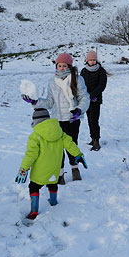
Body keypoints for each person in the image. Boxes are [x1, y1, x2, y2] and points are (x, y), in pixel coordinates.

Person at [22, 53, 90, 183]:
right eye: (59, 65)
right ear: (56, 66)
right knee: (57, 149)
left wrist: (79, 110)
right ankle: (60, 174)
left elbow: (84, 97)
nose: (62, 68)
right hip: (57, 121)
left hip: (72, 119)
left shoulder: (77, 79)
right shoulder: (52, 81)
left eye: (65, 65)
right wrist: (35, 102)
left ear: (69, 66)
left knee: (72, 145)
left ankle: (75, 169)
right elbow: (49, 102)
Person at [15, 107, 88, 220]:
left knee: (34, 187)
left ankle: (34, 210)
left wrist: (24, 168)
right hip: (55, 168)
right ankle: (53, 202)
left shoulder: (35, 137)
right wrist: (78, 154)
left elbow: (31, 155)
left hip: (40, 171)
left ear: (35, 122)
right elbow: (70, 144)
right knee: (52, 183)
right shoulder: (60, 133)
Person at [80, 50, 108, 151]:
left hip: (96, 100)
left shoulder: (101, 71)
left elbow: (102, 85)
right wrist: (83, 95)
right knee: (89, 120)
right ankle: (92, 138)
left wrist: (92, 94)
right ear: (87, 60)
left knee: (94, 120)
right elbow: (81, 84)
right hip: (86, 99)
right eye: (90, 60)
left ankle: (97, 140)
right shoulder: (84, 71)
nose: (92, 62)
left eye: (94, 60)